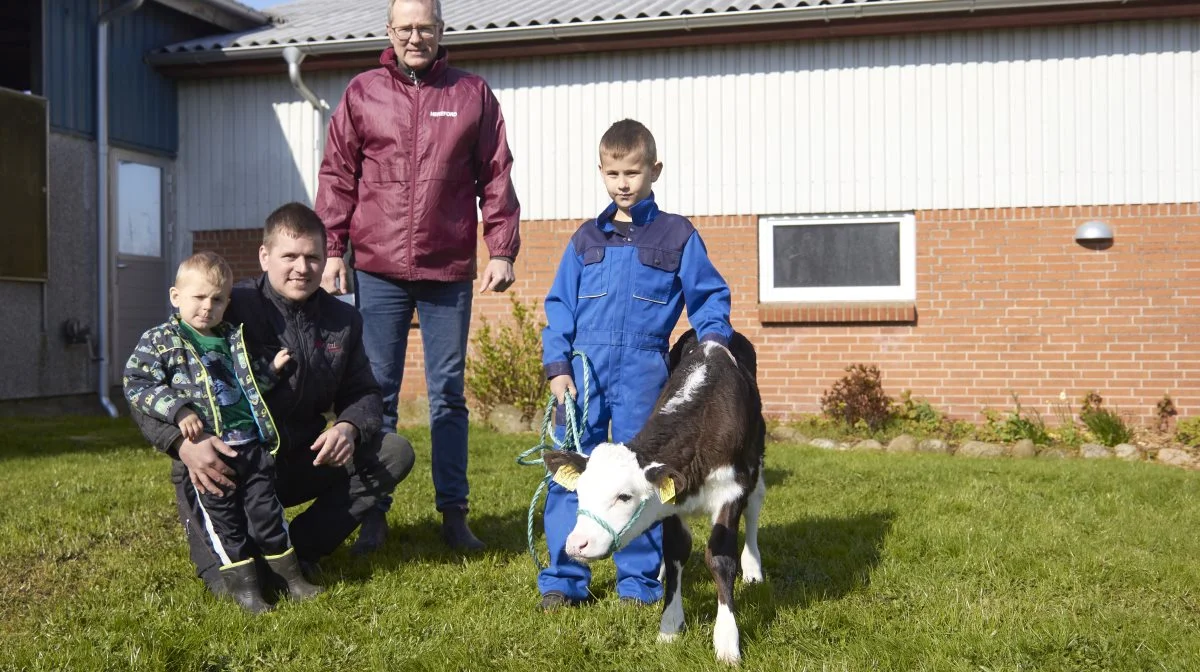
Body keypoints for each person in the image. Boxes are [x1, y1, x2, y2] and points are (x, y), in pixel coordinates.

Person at [315, 0, 521, 552]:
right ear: (389, 31)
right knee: (374, 392)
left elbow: (495, 174)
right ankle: (372, 511)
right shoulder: (362, 93)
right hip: (377, 270)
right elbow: (338, 173)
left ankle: (454, 514)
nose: (414, 37)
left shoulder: (471, 94)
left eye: (424, 28)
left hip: (446, 269)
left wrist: (501, 247)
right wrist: (333, 248)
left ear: (440, 31)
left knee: (448, 395)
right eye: (404, 28)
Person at [130, 203, 416, 597]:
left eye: (313, 256)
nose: (302, 267)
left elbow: (366, 392)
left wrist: (349, 426)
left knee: (394, 451)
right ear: (265, 256)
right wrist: (181, 445)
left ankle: (300, 548)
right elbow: (145, 384)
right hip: (223, 464)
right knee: (233, 590)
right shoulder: (229, 304)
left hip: (299, 458)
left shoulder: (344, 320)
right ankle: (249, 552)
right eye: (290, 256)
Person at [538, 119, 734, 611]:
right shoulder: (586, 239)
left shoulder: (678, 235)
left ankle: (639, 584)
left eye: (632, 172)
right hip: (584, 374)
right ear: (601, 173)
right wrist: (557, 365)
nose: (622, 183)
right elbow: (559, 305)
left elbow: (709, 298)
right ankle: (564, 578)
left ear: (654, 171)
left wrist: (713, 352)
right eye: (612, 173)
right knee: (572, 471)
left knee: (638, 481)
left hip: (646, 371)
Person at [124, 251, 322, 613]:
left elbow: (246, 385)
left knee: (268, 513)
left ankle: (292, 580)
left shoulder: (232, 338)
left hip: (251, 447)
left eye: (217, 299)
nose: (207, 307)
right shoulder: (161, 341)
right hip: (210, 455)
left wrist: (271, 371)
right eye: (199, 297)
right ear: (176, 296)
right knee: (224, 522)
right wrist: (178, 409)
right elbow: (136, 384)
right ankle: (246, 592)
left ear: (227, 303)